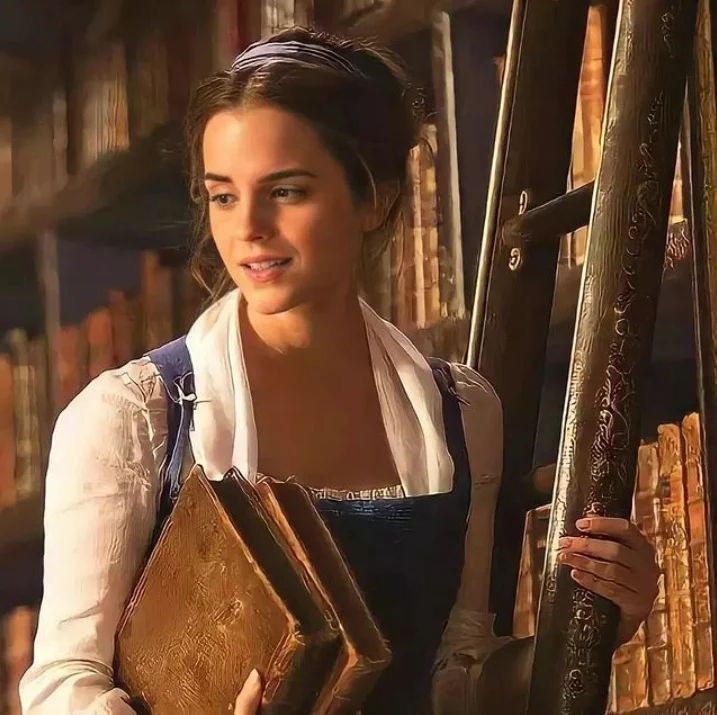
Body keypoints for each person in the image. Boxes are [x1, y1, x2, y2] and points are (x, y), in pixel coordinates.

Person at [19, 27, 659, 715]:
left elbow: (455, 676)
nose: (249, 229)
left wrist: (595, 628)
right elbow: (63, 684)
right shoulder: (134, 414)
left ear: (373, 199)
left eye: (285, 191)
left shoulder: (458, 412)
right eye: (224, 196)